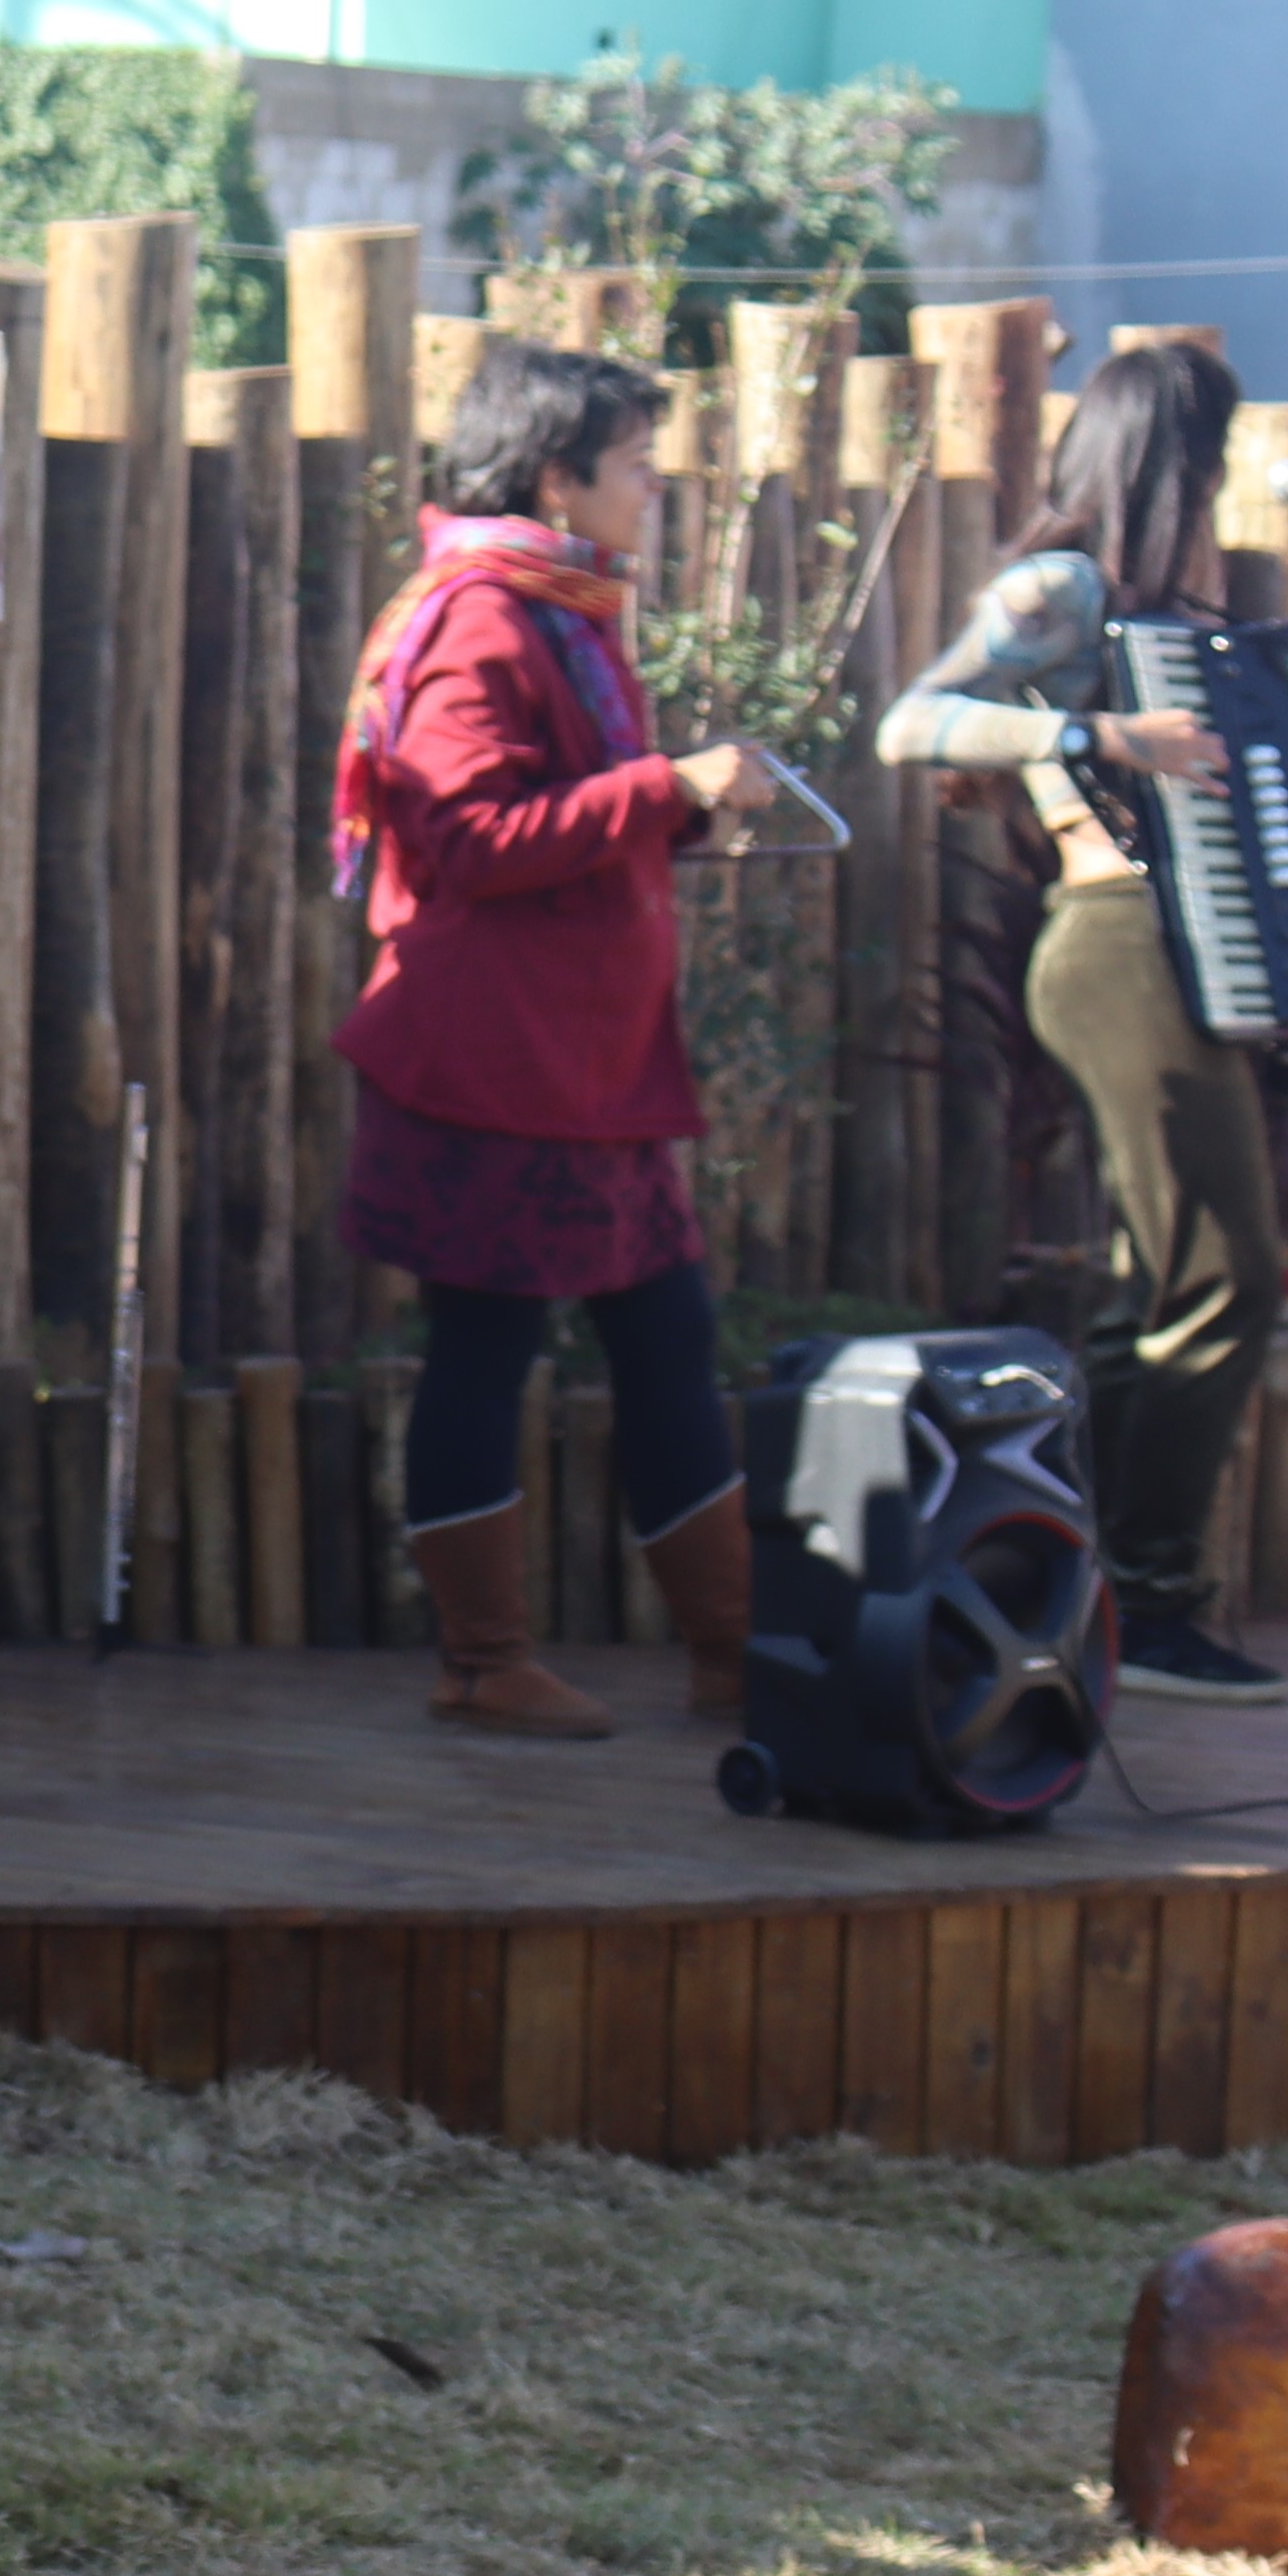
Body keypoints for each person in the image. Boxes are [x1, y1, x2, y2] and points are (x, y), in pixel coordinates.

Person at [331, 336, 779, 1738]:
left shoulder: (554, 609)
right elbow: (463, 841)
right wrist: (665, 788)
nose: (657, 487)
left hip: (584, 1061)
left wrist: (689, 804)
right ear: (555, 475)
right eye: (639, 464)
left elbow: (570, 813)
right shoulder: (481, 617)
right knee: (487, 1345)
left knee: (666, 1335)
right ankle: (482, 1662)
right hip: (499, 1063)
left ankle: (732, 1651)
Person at [874, 341, 1284, 1705]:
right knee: (1228, 1276)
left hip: (1174, 949)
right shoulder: (1063, 583)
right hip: (1111, 948)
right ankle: (1154, 1605)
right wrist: (1100, 744)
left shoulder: (1160, 600)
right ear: (1179, 461)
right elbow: (910, 726)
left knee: (1159, 1289)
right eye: (1215, 460)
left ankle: (1087, 1586)